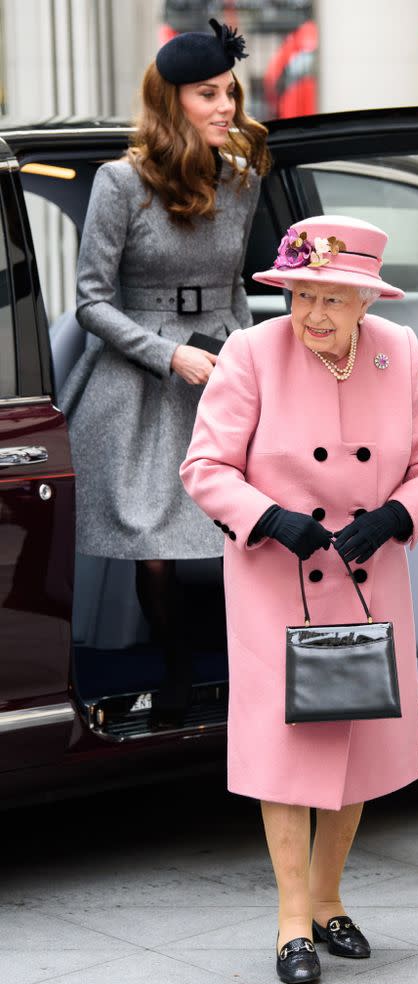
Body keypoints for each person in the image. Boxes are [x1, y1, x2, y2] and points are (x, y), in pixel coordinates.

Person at [180, 215, 418, 984]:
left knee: (357, 749)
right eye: (301, 295)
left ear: (365, 301)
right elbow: (205, 468)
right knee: (287, 753)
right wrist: (270, 518)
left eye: (332, 299)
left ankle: (332, 900)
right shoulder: (250, 353)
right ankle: (291, 923)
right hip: (278, 582)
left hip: (367, 579)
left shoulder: (394, 350)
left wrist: (395, 517)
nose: (312, 316)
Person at [59, 20, 270, 727]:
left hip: (221, 361)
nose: (225, 107)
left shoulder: (241, 177)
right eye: (208, 94)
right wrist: (167, 354)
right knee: (154, 544)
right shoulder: (121, 181)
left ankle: (239, 675)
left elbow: (235, 283)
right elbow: (90, 301)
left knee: (244, 528)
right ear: (171, 100)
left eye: (230, 93)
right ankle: (178, 676)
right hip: (140, 372)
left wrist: (243, 354)